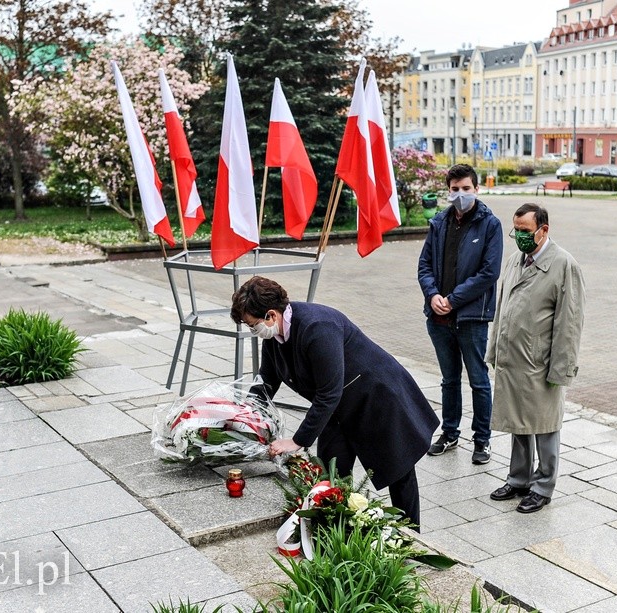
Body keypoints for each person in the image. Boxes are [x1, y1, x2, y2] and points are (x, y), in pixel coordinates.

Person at [230, 276, 439, 529]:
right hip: (338, 410)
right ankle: (336, 530)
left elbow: (328, 392)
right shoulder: (274, 337)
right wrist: (246, 416)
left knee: (398, 472)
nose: (253, 331)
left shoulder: (317, 327)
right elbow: (267, 380)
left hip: (379, 399)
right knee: (331, 473)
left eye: (253, 325)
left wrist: (297, 441)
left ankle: (409, 537)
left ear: (271, 315)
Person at [486, 203, 586, 513]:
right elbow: (502, 307)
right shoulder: (516, 259)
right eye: (516, 230)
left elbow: (570, 323)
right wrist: (494, 349)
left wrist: (562, 368)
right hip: (513, 358)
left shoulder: (564, 265)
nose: (520, 237)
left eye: (526, 231)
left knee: (544, 427)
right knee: (519, 423)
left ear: (544, 230)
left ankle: (543, 487)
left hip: (540, 361)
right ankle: (518, 479)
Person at [417, 163, 503, 464]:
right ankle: (450, 433)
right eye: (455, 189)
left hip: (472, 318)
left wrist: (453, 300)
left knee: (478, 380)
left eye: (466, 188)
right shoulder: (439, 222)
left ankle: (482, 440)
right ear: (448, 190)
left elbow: (489, 272)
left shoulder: (490, 224)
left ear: (476, 190)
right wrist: (433, 295)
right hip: (439, 317)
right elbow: (424, 266)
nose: (461, 194)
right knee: (449, 380)